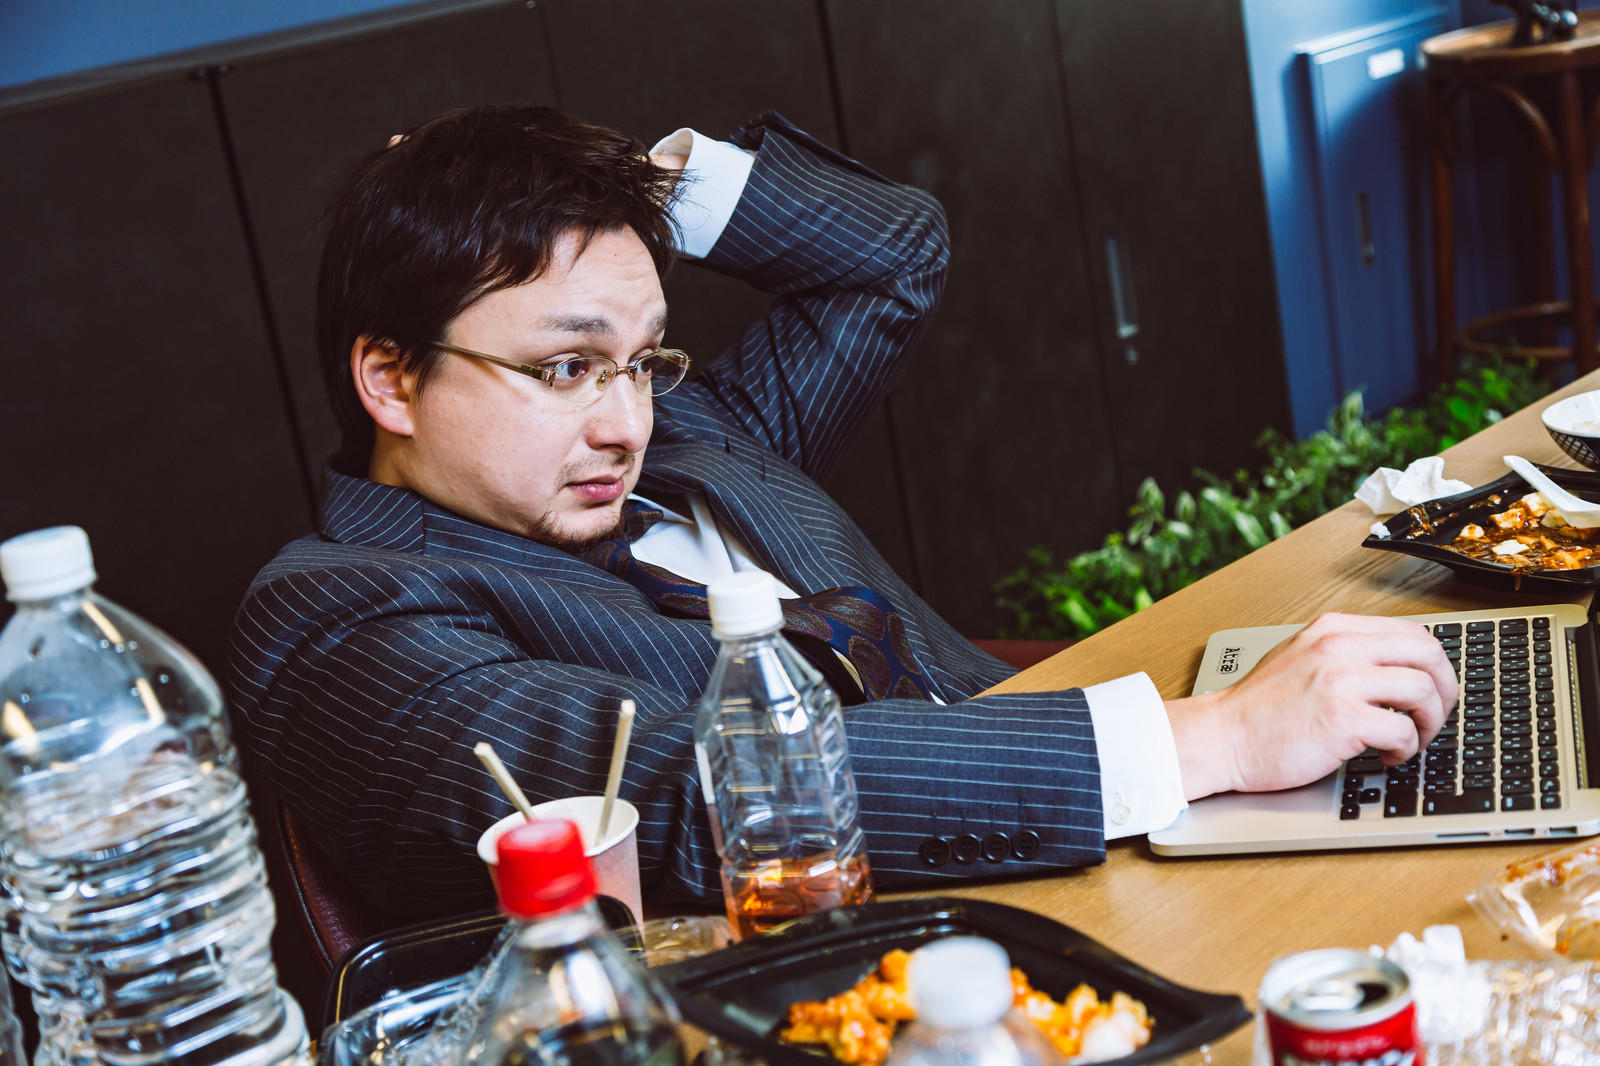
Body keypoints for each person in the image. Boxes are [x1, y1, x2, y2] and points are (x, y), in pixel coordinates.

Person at [230, 104, 1456, 919]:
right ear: (391, 378)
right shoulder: (337, 615)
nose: (622, 423)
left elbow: (889, 254)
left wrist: (609, 184)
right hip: (954, 949)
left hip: (1119, 827)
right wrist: (1213, 742)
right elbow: (692, 793)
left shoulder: (700, 434)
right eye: (564, 366)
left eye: (642, 360)